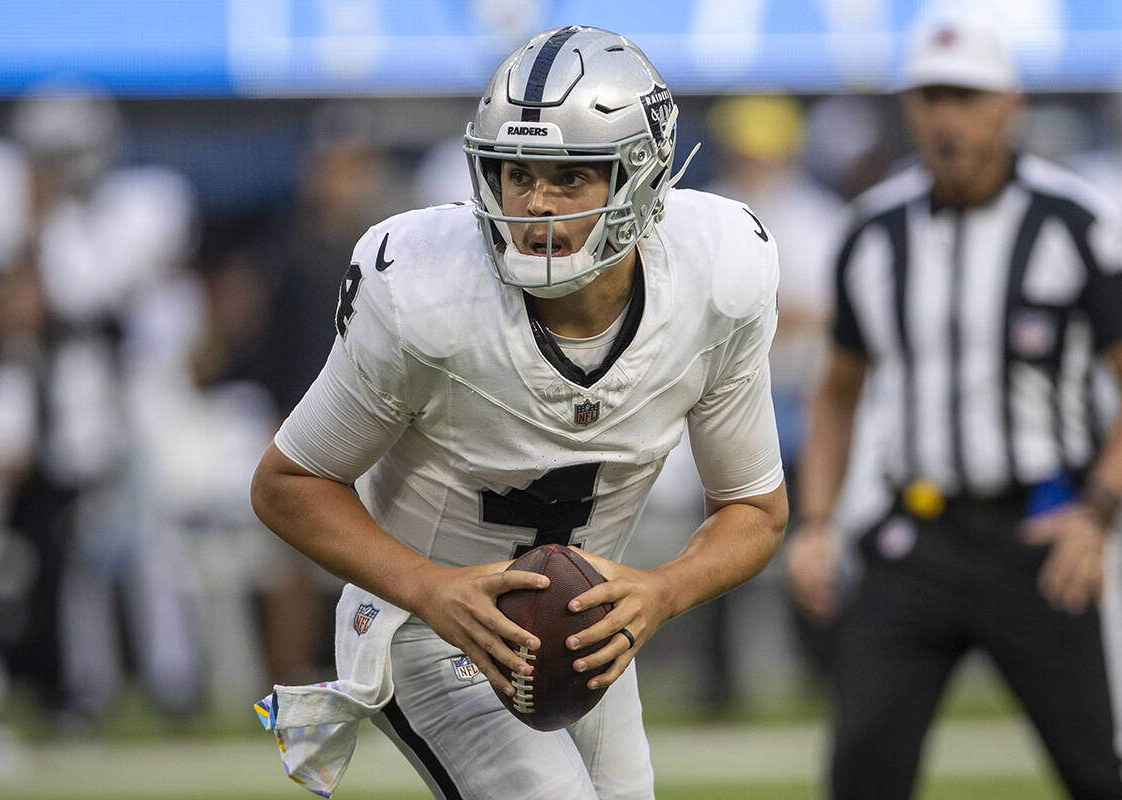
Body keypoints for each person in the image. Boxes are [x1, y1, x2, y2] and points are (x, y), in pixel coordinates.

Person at [250, 25, 787, 800]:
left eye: (569, 179)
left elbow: (755, 510)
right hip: (430, 626)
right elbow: (287, 482)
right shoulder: (426, 291)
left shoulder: (720, 272)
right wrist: (434, 589)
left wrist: (660, 591)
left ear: (640, 178)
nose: (533, 204)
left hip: (587, 627)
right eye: (514, 173)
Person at [785, 12, 1122, 800]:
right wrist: (816, 524)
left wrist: (1099, 512)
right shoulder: (873, 232)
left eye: (965, 95)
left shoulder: (1073, 223)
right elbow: (837, 394)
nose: (946, 116)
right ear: (909, 109)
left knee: (1104, 773)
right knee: (861, 769)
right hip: (913, 532)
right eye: (929, 96)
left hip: (1045, 534)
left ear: (1007, 105)